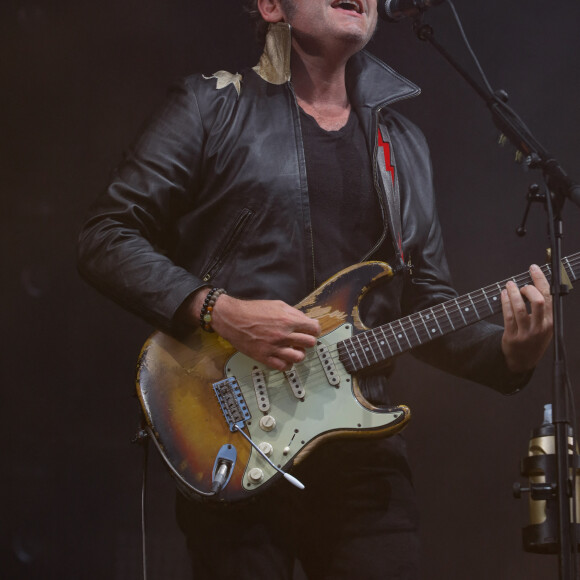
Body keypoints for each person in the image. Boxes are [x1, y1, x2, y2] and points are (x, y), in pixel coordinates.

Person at [77, 0, 553, 578]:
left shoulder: (401, 145)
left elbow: (425, 306)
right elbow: (105, 235)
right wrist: (219, 311)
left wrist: (509, 352)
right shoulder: (211, 105)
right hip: (233, 430)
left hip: (363, 453)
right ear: (272, 6)